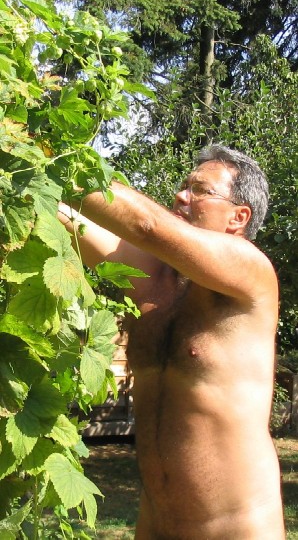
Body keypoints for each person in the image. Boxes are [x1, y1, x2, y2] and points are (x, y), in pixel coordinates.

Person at [59, 144, 285, 540]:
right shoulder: (153, 280)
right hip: (155, 527)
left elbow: (149, 226)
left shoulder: (250, 272)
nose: (181, 196)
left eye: (201, 190)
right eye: (184, 186)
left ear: (239, 217)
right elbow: (69, 220)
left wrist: (53, 159)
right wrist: (20, 163)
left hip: (237, 532)